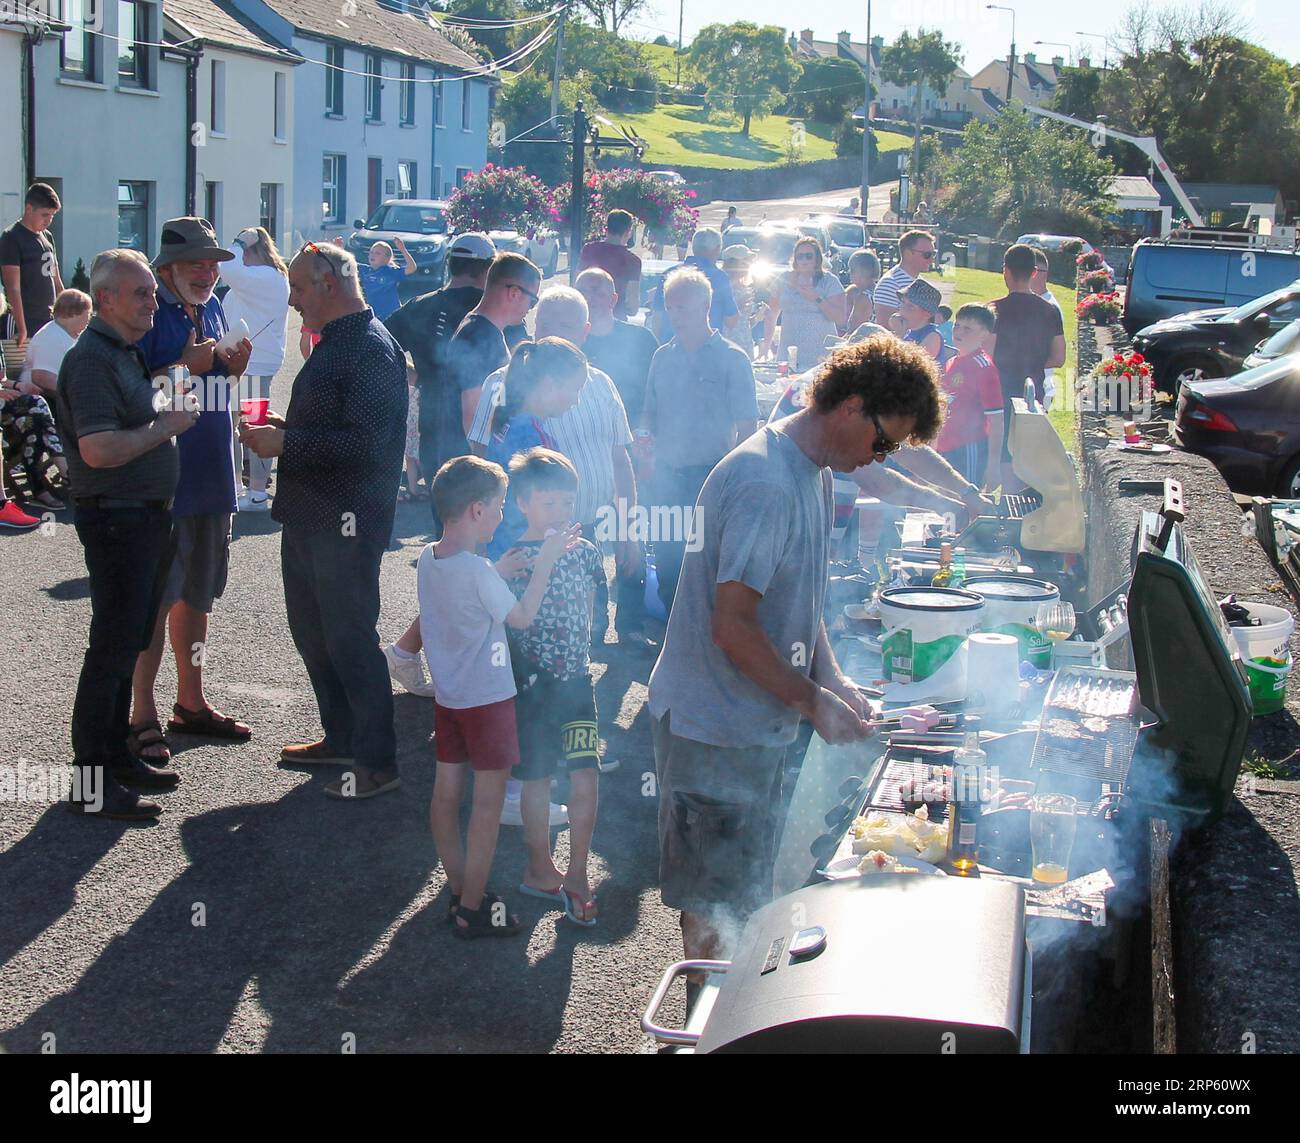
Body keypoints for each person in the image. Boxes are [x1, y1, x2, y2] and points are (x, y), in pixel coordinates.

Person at [649, 336, 943, 992]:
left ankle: (731, 1021)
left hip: (755, 723)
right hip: (713, 727)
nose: (880, 458)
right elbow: (733, 625)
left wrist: (831, 677)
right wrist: (811, 701)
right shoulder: (764, 483)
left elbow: (798, 601)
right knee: (715, 904)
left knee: (749, 894)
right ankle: (701, 1032)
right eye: (883, 442)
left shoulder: (811, 471)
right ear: (851, 407)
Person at [239, 241, 408, 801]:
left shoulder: (369, 348)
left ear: (328, 284)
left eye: (297, 288)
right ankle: (341, 736)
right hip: (312, 514)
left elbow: (367, 445)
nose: (291, 301)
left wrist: (287, 440)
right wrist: (293, 429)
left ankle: (378, 763)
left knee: (349, 636)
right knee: (313, 632)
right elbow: (339, 425)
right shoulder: (339, 340)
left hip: (347, 518)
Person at [57, 249, 197, 820]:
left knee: (127, 642)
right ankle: (91, 784)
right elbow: (97, 448)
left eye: (151, 292)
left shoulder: (121, 351)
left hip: (142, 516)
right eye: (140, 293)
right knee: (112, 649)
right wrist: (166, 424)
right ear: (107, 298)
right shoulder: (92, 358)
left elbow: (127, 425)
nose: (152, 301)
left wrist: (162, 401)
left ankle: (116, 760)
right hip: (118, 517)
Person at [418, 454, 580, 939]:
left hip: (449, 699)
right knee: (486, 806)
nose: (503, 514)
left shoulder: (430, 557)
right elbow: (522, 617)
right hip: (488, 703)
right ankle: (472, 907)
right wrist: (544, 565)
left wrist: (496, 570)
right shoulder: (481, 574)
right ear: (475, 511)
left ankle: (458, 886)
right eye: (499, 506)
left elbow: (466, 590)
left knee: (447, 795)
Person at [127, 218, 253, 768]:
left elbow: (210, 385)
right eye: (196, 264)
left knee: (198, 595)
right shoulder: (147, 312)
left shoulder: (214, 307)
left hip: (211, 475)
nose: (208, 272)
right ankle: (140, 715)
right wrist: (186, 365)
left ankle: (190, 701)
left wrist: (230, 369)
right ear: (166, 269)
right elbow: (133, 395)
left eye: (213, 263)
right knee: (153, 602)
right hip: (166, 482)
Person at [468, 286, 640, 651]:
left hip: (567, 536)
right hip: (531, 551)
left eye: (567, 325)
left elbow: (620, 459)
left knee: (565, 637)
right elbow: (484, 471)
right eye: (548, 323)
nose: (555, 332)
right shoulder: (509, 400)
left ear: (585, 330)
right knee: (536, 643)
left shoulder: (600, 384)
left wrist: (628, 529)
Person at [499, 448, 603, 926]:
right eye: (549, 504)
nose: (560, 514)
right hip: (533, 685)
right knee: (537, 777)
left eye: (567, 504)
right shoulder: (515, 558)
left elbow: (594, 604)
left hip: (576, 681)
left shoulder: (585, 551)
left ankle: (579, 871)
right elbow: (511, 622)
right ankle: (540, 866)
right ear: (522, 503)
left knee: (586, 771)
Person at [642, 268, 758, 611]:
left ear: (706, 306)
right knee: (667, 563)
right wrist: (645, 451)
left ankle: (704, 645)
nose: (675, 316)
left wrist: (736, 483)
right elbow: (648, 413)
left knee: (706, 566)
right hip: (666, 478)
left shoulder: (732, 359)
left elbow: (747, 428)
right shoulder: (661, 356)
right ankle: (669, 642)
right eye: (670, 307)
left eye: (684, 308)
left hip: (709, 478)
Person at [383, 232, 496, 525]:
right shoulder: (494, 310)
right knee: (487, 523)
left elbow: (380, 346)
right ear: (487, 269)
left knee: (445, 522)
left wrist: (414, 375)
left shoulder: (420, 305)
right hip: (488, 429)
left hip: (434, 428)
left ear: (449, 264)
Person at [575, 267, 659, 648]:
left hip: (628, 450)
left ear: (613, 299)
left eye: (597, 290)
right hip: (586, 456)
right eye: (583, 290)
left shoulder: (640, 339)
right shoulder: (573, 341)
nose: (590, 296)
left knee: (631, 538)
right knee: (584, 543)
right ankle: (593, 622)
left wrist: (645, 446)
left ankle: (631, 625)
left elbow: (653, 397)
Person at [484, 337, 587, 559]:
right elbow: (552, 513)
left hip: (500, 549)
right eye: (575, 389)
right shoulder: (536, 438)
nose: (576, 401)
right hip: (528, 558)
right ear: (549, 385)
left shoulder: (508, 422)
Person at [222, 226, 291, 513]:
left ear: (249, 252)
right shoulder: (260, 279)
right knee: (233, 425)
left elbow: (226, 266)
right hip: (242, 360)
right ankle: (239, 488)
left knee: (252, 425)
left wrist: (238, 241)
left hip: (255, 362)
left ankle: (257, 493)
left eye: (242, 252)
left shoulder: (267, 277)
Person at [988, 244, 1066, 481]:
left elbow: (987, 356)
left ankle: (1001, 507)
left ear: (1006, 271)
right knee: (1026, 455)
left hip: (999, 394)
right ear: (1034, 272)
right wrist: (1032, 362)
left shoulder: (994, 310)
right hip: (1033, 392)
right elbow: (1059, 358)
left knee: (1001, 456)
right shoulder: (1051, 311)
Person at [933, 303, 1003, 487]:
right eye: (957, 325)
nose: (959, 332)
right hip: (945, 447)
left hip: (968, 448)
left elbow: (996, 420)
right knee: (945, 505)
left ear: (984, 335)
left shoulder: (984, 368)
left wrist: (993, 465)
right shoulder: (951, 362)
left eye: (967, 328)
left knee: (967, 503)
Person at [761, 236, 847, 371]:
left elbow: (840, 318)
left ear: (817, 259)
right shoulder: (783, 279)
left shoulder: (830, 281)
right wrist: (766, 345)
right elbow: (771, 314)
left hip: (819, 355)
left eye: (808, 256)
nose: (804, 260)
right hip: (788, 351)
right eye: (800, 256)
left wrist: (816, 298)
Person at [0, 182, 63, 344]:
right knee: (21, 368)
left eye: (52, 215)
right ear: (29, 208)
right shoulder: (12, 237)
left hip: (48, 318)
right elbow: (13, 287)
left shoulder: (47, 237)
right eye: (44, 215)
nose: (49, 220)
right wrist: (22, 328)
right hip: (25, 319)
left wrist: (67, 312)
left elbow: (55, 279)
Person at [651, 228, 739, 342]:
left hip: (672, 346)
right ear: (717, 249)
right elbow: (731, 321)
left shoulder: (669, 274)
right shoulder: (719, 278)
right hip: (706, 348)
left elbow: (657, 318)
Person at [19, 288, 92, 393]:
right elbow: (41, 377)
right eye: (88, 313)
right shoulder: (50, 336)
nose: (89, 319)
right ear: (73, 313)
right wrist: (79, 394)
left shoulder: (65, 334)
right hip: (45, 401)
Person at [576, 209, 641, 320]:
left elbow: (577, 284)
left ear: (606, 228)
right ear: (628, 232)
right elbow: (632, 306)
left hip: (587, 317)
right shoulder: (633, 261)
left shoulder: (589, 250)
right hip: (616, 321)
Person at [872, 229, 937, 330]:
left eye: (933, 254)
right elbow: (883, 329)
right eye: (927, 255)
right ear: (908, 254)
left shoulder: (919, 281)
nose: (932, 259)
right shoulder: (890, 283)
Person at [1030, 247, 1063, 409]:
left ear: (1039, 272)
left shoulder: (1049, 308)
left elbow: (1056, 357)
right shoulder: (1031, 302)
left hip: (1039, 387)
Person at [358, 238, 417, 321]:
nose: (372, 255)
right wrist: (339, 249)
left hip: (391, 315)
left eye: (377, 253)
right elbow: (346, 264)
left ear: (387, 258)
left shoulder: (390, 271)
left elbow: (412, 268)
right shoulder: (365, 270)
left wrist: (402, 249)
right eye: (371, 252)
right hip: (374, 315)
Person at [896, 277, 950, 364]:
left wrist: (899, 335)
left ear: (927, 314)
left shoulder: (932, 337)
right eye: (902, 302)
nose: (902, 309)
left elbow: (911, 366)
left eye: (911, 306)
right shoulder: (908, 331)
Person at [721, 244, 760, 359]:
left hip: (745, 343)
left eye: (749, 263)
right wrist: (738, 305)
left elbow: (744, 324)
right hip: (729, 345)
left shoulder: (744, 287)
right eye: (744, 262)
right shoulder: (724, 286)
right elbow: (725, 321)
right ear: (732, 264)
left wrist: (758, 316)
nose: (748, 266)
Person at [844, 249, 880, 332]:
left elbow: (853, 330)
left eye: (851, 269)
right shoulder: (878, 291)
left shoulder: (864, 298)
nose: (849, 272)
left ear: (860, 271)